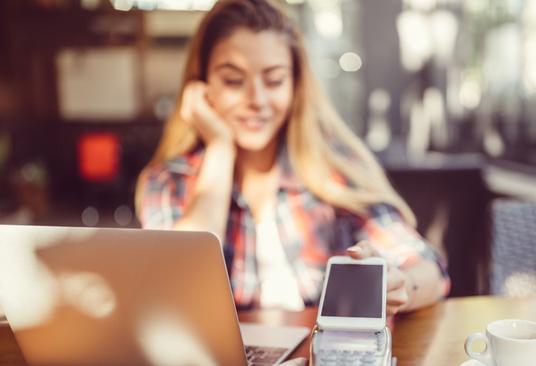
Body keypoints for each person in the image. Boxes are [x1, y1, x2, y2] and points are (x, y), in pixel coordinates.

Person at [136, 0, 450, 317]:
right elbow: (175, 292)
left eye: (274, 81)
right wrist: (219, 148)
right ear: (202, 87)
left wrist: (401, 285)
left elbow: (427, 267)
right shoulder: (169, 181)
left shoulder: (331, 166)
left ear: (295, 85)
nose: (256, 100)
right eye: (233, 81)